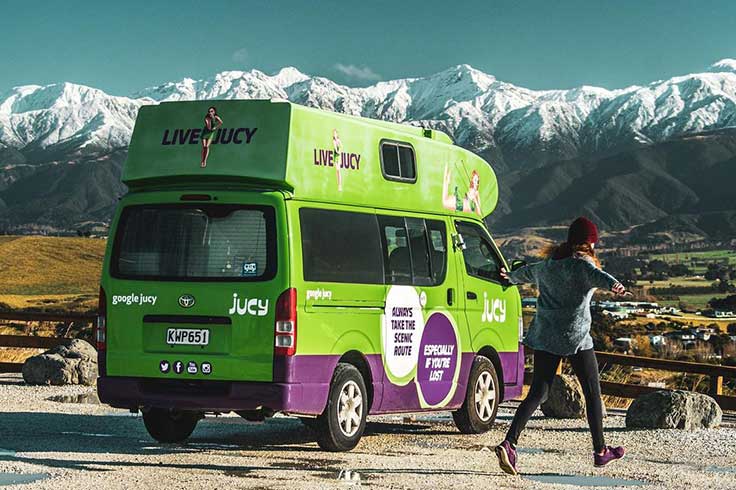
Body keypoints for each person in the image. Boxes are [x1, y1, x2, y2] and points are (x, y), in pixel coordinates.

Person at [495, 217, 626, 476]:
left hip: (545, 336)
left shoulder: (547, 265)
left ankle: (509, 443)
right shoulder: (583, 266)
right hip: (576, 338)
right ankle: (600, 452)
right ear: (591, 243)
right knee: (592, 394)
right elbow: (603, 277)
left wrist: (508, 276)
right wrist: (616, 286)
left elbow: (523, 274)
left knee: (538, 393)